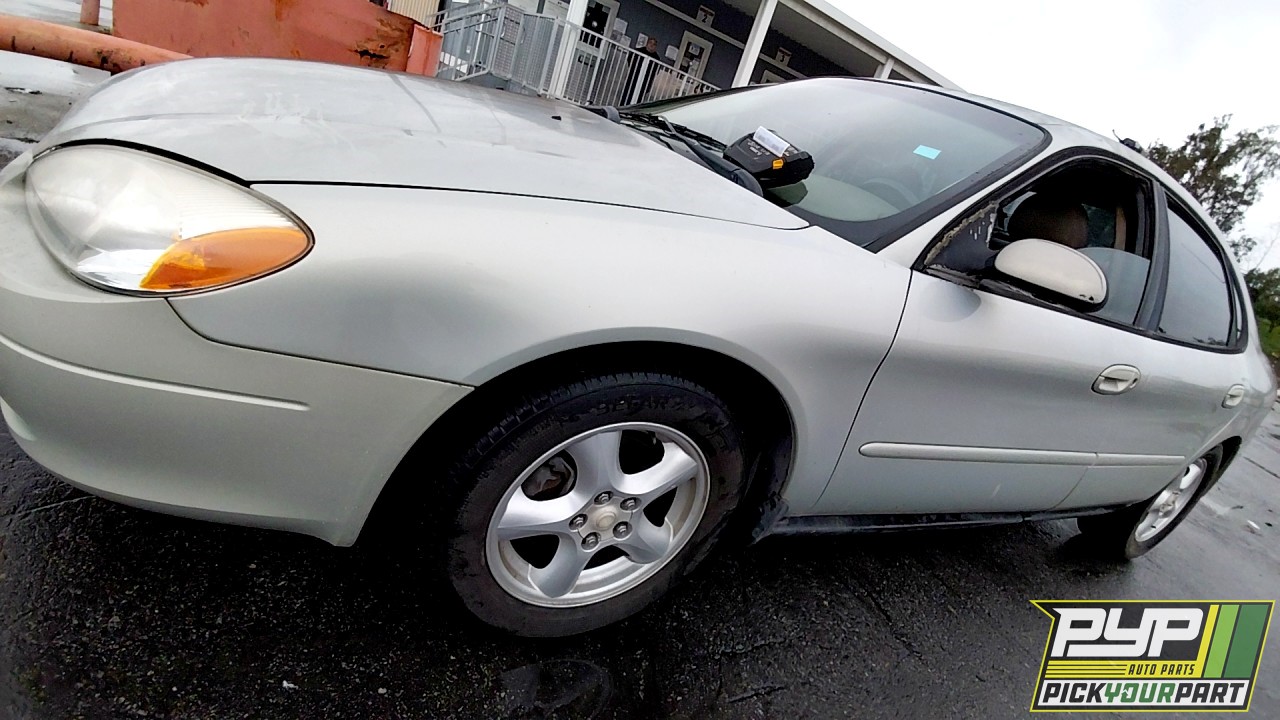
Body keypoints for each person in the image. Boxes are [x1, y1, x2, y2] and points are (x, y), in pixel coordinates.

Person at [622, 37, 665, 104]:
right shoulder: (638, 51)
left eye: (654, 44)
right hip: (633, 78)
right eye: (650, 43)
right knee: (627, 96)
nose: (651, 45)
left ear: (655, 47)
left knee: (638, 100)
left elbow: (656, 71)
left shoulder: (656, 58)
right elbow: (630, 60)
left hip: (645, 82)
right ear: (647, 43)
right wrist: (633, 69)